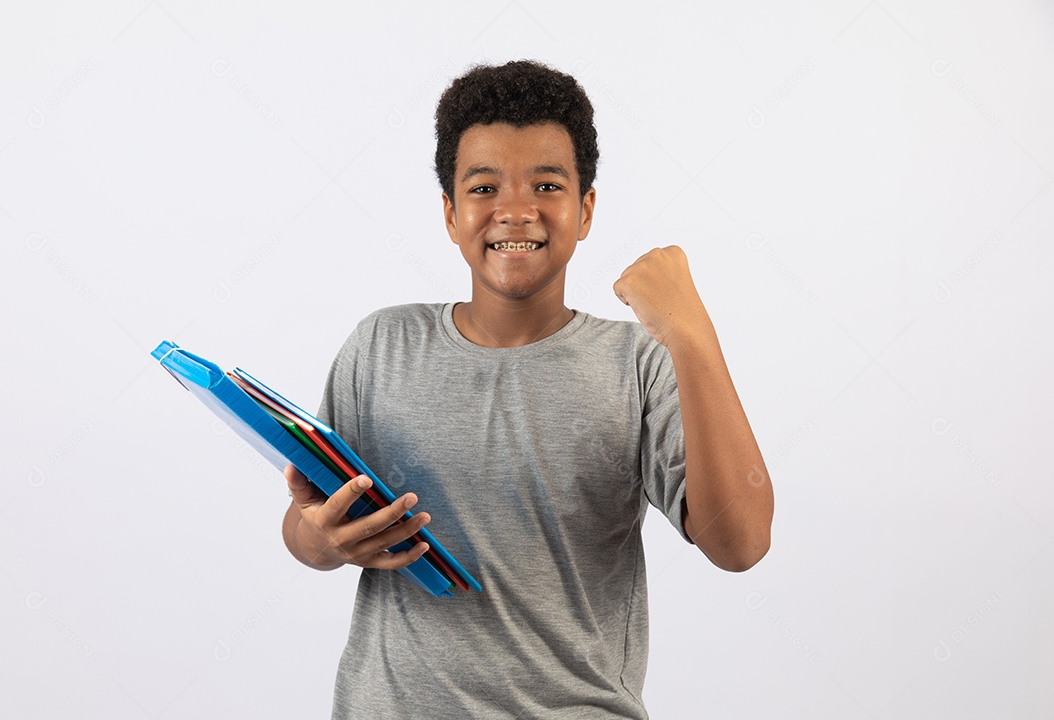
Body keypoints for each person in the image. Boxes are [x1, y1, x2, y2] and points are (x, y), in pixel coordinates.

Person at [281, 59, 774, 719]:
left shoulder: (639, 364)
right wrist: (317, 541)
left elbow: (740, 542)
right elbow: (308, 521)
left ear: (585, 208)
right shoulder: (381, 347)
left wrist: (692, 335)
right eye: (484, 188)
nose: (516, 210)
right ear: (452, 214)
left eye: (547, 183)